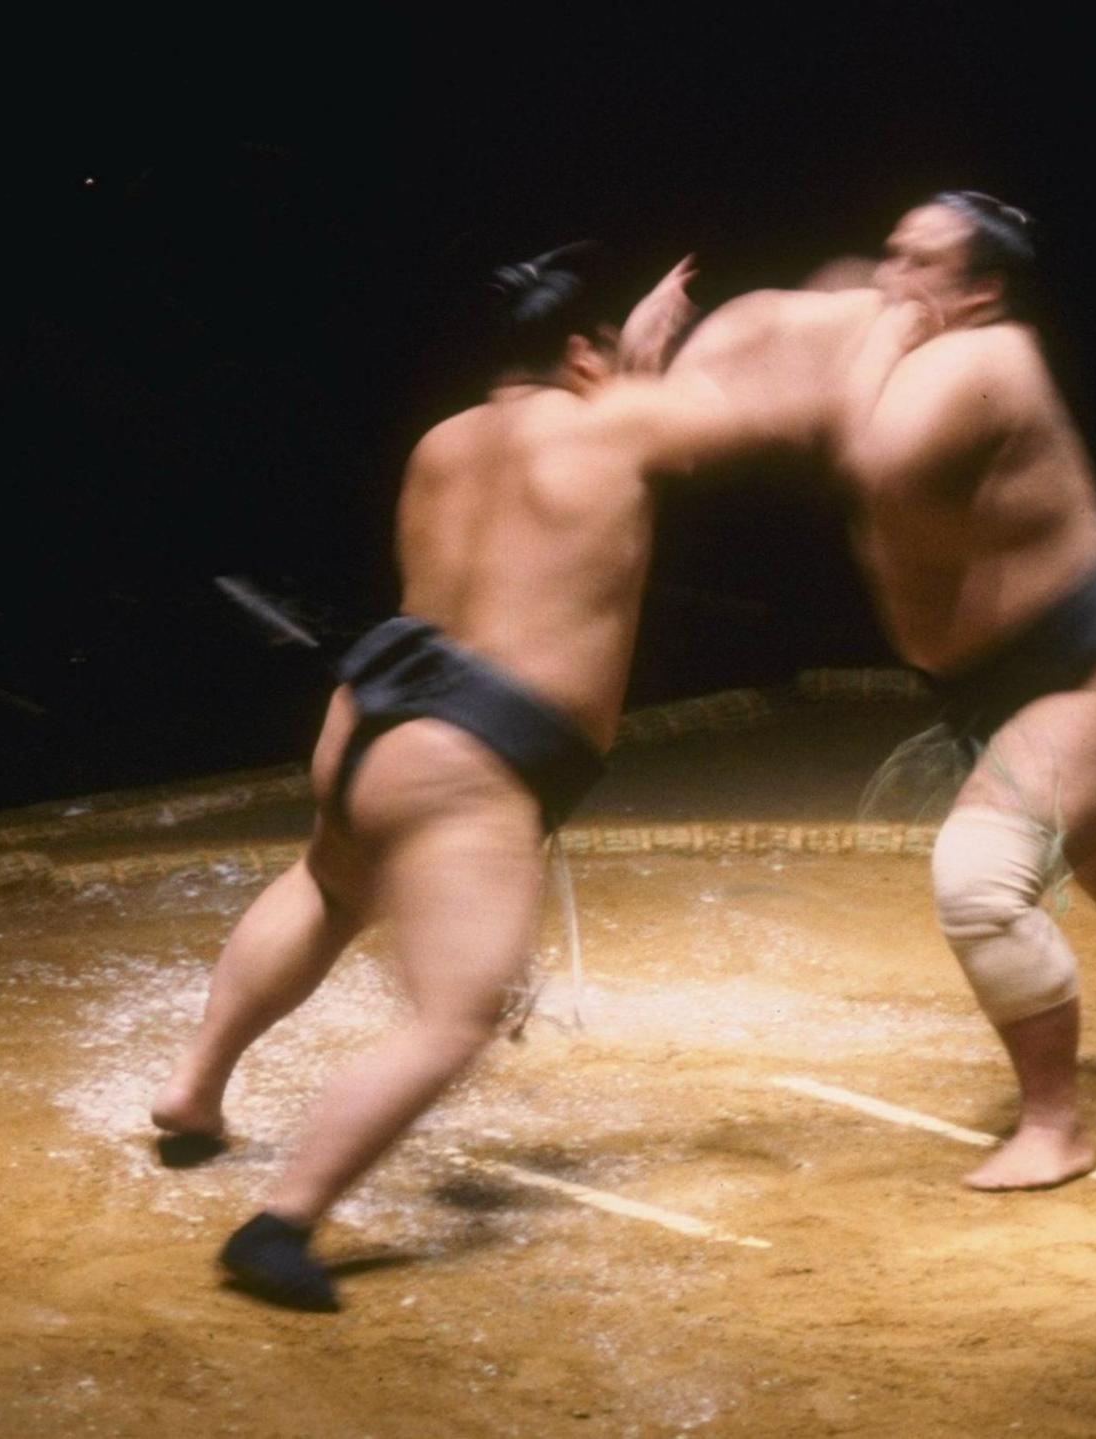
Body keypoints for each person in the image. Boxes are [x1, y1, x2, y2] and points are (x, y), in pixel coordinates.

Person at [147, 249, 782, 1311]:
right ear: (580, 352)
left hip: (369, 715)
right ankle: (282, 1222)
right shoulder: (610, 423)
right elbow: (743, 416)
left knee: (328, 884)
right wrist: (653, 350)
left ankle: (195, 1087)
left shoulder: (442, 441)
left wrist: (621, 366)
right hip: (471, 749)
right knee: (455, 1013)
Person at [808, 192, 1096, 1190]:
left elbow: (871, 462)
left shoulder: (989, 357)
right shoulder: (920, 355)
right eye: (889, 255)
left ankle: (1054, 1124)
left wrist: (869, 327)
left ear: (979, 290)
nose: (892, 279)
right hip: (1034, 678)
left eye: (919, 264)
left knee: (978, 875)